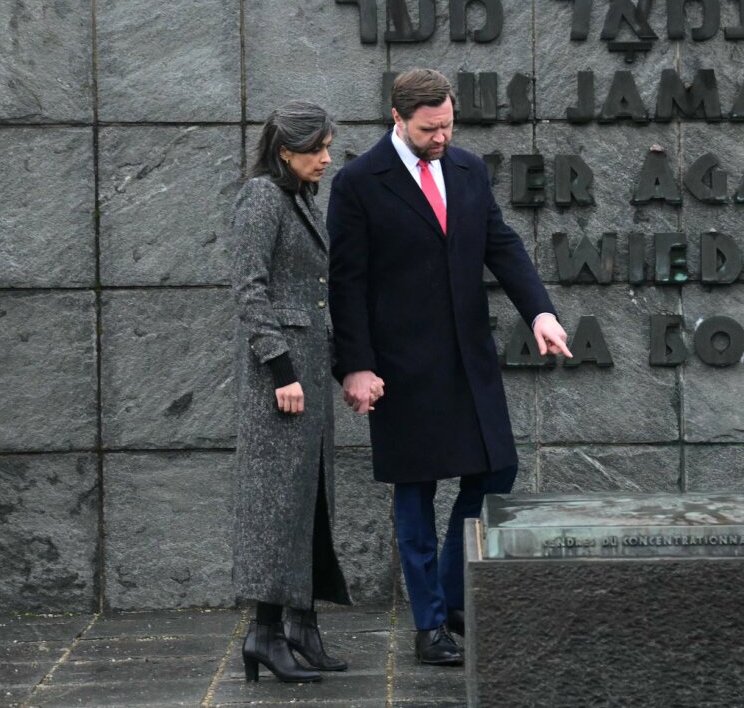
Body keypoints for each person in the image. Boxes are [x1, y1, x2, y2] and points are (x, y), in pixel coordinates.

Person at [327, 69, 571, 666]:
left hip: (469, 359)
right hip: (400, 368)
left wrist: (539, 311)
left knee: (497, 471)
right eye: (429, 128)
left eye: (448, 125)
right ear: (398, 119)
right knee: (415, 495)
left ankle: (447, 594)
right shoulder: (359, 183)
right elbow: (346, 285)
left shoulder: (466, 169)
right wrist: (355, 367)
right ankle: (429, 625)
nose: (441, 137)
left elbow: (501, 243)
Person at [231, 100, 352, 683]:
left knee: (308, 501)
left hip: (308, 380)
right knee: (276, 507)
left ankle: (301, 625)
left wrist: (341, 370)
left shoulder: (300, 199)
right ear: (286, 150)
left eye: (328, 147)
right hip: (280, 386)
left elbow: (311, 297)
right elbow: (250, 290)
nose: (327, 158)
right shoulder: (261, 197)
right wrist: (283, 372)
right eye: (317, 149)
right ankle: (263, 634)